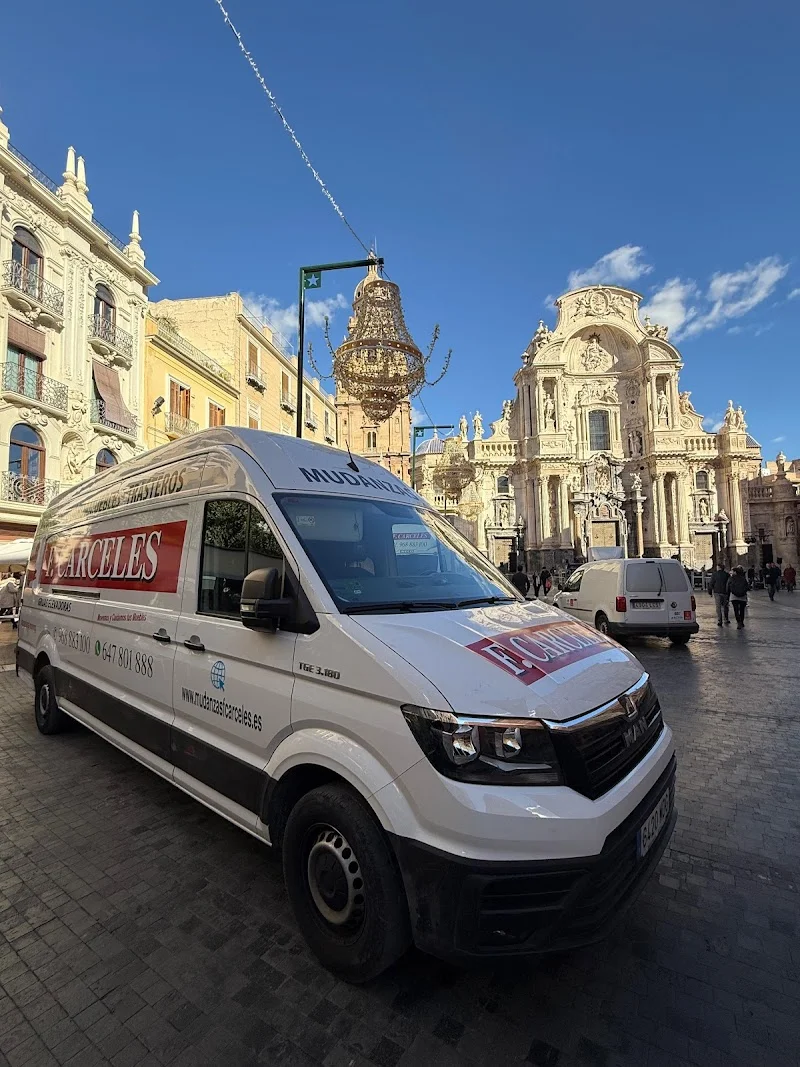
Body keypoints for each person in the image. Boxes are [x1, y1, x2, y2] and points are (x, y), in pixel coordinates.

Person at [710, 561, 731, 626]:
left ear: (719, 568)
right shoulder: (727, 575)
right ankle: (726, 619)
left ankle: (720, 620)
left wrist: (710, 591)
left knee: (718, 607)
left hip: (717, 592)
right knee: (725, 606)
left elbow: (711, 583)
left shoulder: (714, 574)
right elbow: (729, 584)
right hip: (725, 592)